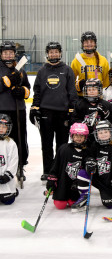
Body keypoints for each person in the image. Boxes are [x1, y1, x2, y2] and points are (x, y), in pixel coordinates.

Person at [29, 42, 78, 182]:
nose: (54, 54)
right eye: (51, 52)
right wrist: (34, 108)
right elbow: (37, 92)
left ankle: (60, 169)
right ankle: (48, 171)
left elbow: (72, 92)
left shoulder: (67, 70)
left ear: (60, 53)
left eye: (56, 51)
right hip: (46, 112)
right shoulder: (42, 71)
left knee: (62, 145)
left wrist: (71, 109)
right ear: (47, 54)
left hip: (63, 113)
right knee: (46, 144)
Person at [71, 120, 112, 211]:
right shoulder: (94, 145)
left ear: (111, 132)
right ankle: (84, 197)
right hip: (98, 180)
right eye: (100, 132)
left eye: (106, 132)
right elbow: (88, 156)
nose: (103, 134)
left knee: (110, 204)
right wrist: (89, 161)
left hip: (110, 182)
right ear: (96, 134)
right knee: (82, 173)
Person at [0, 40, 30, 181]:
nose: (8, 55)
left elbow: (28, 89)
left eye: (10, 53)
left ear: (14, 54)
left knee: (19, 139)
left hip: (18, 110)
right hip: (2, 110)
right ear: (1, 54)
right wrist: (6, 81)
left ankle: (19, 164)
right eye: (5, 53)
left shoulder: (20, 70)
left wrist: (22, 91)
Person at [45, 123, 90, 210]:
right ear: (72, 136)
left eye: (81, 136)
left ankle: (73, 197)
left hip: (76, 186)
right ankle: (63, 196)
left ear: (85, 137)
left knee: (73, 202)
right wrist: (51, 180)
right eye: (76, 135)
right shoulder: (64, 148)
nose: (79, 138)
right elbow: (55, 165)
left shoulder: (87, 151)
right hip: (63, 183)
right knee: (60, 205)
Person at [72, 78, 112, 145]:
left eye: (94, 89)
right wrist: (84, 123)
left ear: (99, 90)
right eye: (89, 90)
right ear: (85, 90)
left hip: (101, 136)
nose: (91, 91)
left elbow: (110, 120)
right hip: (84, 136)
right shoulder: (79, 104)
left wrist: (106, 113)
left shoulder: (107, 105)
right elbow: (74, 119)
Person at [71, 31, 110, 97]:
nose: (89, 44)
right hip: (82, 97)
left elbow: (107, 82)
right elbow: (71, 82)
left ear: (95, 44)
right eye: (86, 42)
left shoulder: (103, 60)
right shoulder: (76, 61)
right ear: (82, 44)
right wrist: (78, 85)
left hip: (99, 97)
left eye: (91, 42)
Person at [0, 114, 18, 205]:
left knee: (8, 201)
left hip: (5, 181)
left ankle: (13, 190)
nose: (1, 129)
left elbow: (13, 162)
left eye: (4, 126)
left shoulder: (11, 144)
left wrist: (7, 176)